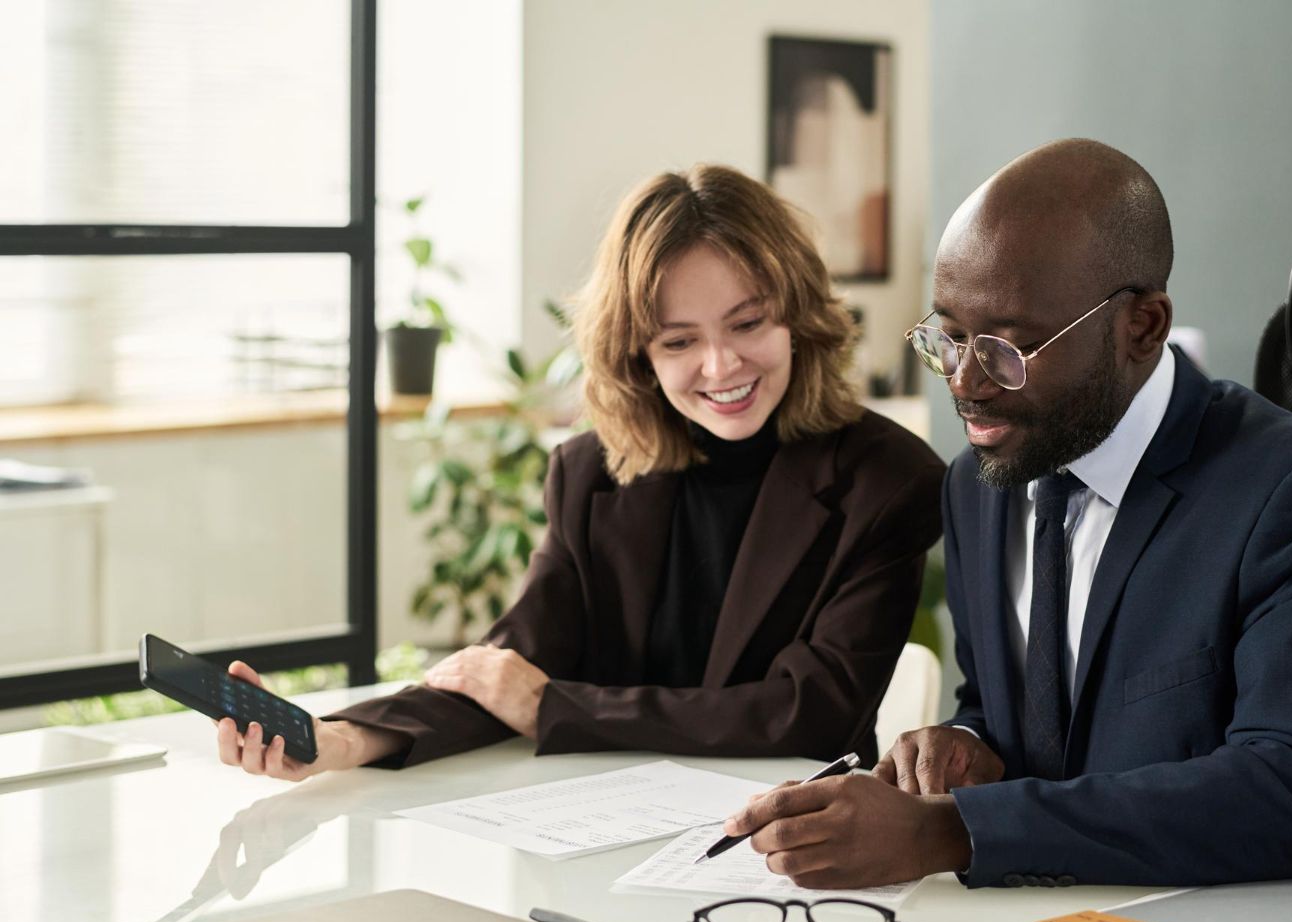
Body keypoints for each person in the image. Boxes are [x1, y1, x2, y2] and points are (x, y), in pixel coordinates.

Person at [724, 138, 1292, 889]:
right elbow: (1005, 706)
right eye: (949, 337)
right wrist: (964, 740)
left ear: (1142, 327)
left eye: (1009, 349)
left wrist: (958, 832)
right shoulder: (978, 484)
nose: (968, 385)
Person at [214, 164, 944, 780]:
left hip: (787, 842)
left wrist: (554, 707)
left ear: (797, 316)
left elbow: (809, 714)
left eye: (748, 324)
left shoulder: (887, 480)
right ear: (638, 355)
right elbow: (509, 666)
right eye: (679, 340)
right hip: (598, 823)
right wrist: (339, 740)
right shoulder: (590, 473)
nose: (721, 366)